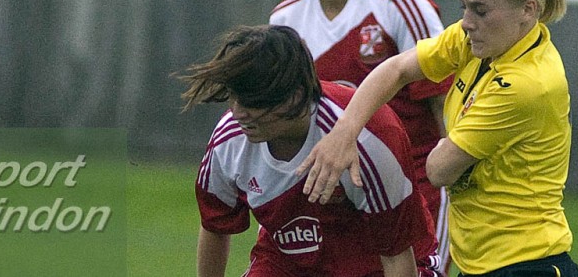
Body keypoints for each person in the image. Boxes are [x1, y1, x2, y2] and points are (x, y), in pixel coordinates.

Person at [298, 0, 578, 276]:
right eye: (464, 6)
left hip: (527, 264)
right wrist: (343, 133)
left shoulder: (526, 85)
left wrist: (442, 148)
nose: (466, 21)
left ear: (528, 9)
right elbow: (397, 69)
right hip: (482, 263)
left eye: (480, 10)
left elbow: (439, 170)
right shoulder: (478, 40)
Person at [267, 0, 452, 272]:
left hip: (414, 191)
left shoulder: (399, 2)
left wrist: (453, 183)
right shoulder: (285, 20)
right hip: (337, 201)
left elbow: (444, 102)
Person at [178, 24, 440, 277]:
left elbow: (397, 258)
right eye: (234, 98)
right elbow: (215, 226)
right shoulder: (229, 139)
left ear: (295, 96)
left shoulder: (373, 138)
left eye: (252, 102)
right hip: (286, 265)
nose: (238, 112)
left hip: (377, 267)